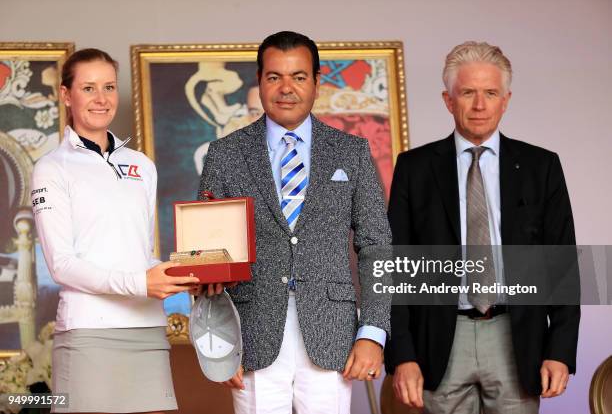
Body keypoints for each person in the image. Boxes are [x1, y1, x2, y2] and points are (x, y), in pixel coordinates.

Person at [198, 31, 392, 414]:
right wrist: (217, 346)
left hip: (331, 334)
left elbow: (377, 245)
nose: (286, 88)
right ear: (260, 81)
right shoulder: (224, 154)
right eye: (274, 77)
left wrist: (373, 332)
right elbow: (206, 257)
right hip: (251, 334)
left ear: (317, 82)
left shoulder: (351, 152)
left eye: (299, 77)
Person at [384, 41, 580, 414]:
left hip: (515, 338)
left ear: (505, 100)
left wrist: (560, 351)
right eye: (468, 93)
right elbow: (395, 267)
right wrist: (402, 355)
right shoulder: (414, 168)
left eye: (490, 93)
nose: (479, 105)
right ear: (448, 99)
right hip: (441, 341)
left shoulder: (542, 167)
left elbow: (563, 265)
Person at [31, 48, 201, 413]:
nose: (101, 98)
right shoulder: (51, 169)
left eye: (108, 86)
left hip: (147, 330)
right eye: (88, 88)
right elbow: (62, 265)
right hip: (88, 333)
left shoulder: (142, 166)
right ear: (66, 95)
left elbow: (141, 254)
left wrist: (185, 274)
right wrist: (142, 283)